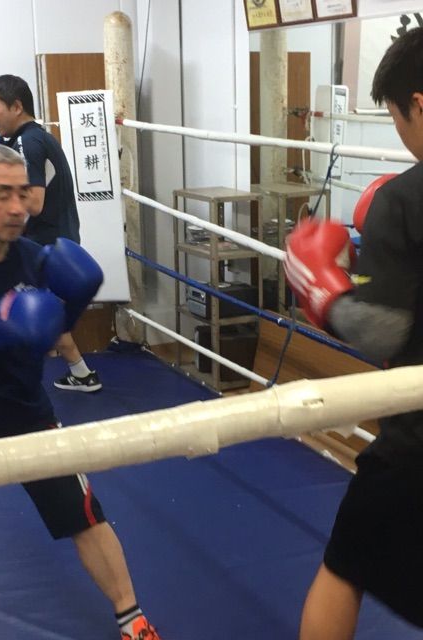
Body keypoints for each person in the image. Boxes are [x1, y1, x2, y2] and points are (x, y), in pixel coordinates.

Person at [0, 143, 160, 640]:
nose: (18, 207)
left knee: (83, 513)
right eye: (3, 194)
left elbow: (49, 330)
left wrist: (70, 307)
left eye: (23, 192)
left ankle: (132, 619)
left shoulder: (34, 258)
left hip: (24, 409)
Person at [283, 26, 423, 639]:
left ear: (418, 104)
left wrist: (325, 295)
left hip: (415, 442)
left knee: (343, 569)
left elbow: (384, 331)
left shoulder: (405, 199)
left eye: (395, 119)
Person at [0, 73, 101, 393]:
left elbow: (33, 203)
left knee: (15, 303)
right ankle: (80, 373)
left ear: (16, 106)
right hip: (56, 239)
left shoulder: (27, 142)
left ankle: (18, 373)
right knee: (41, 310)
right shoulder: (35, 138)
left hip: (44, 243)